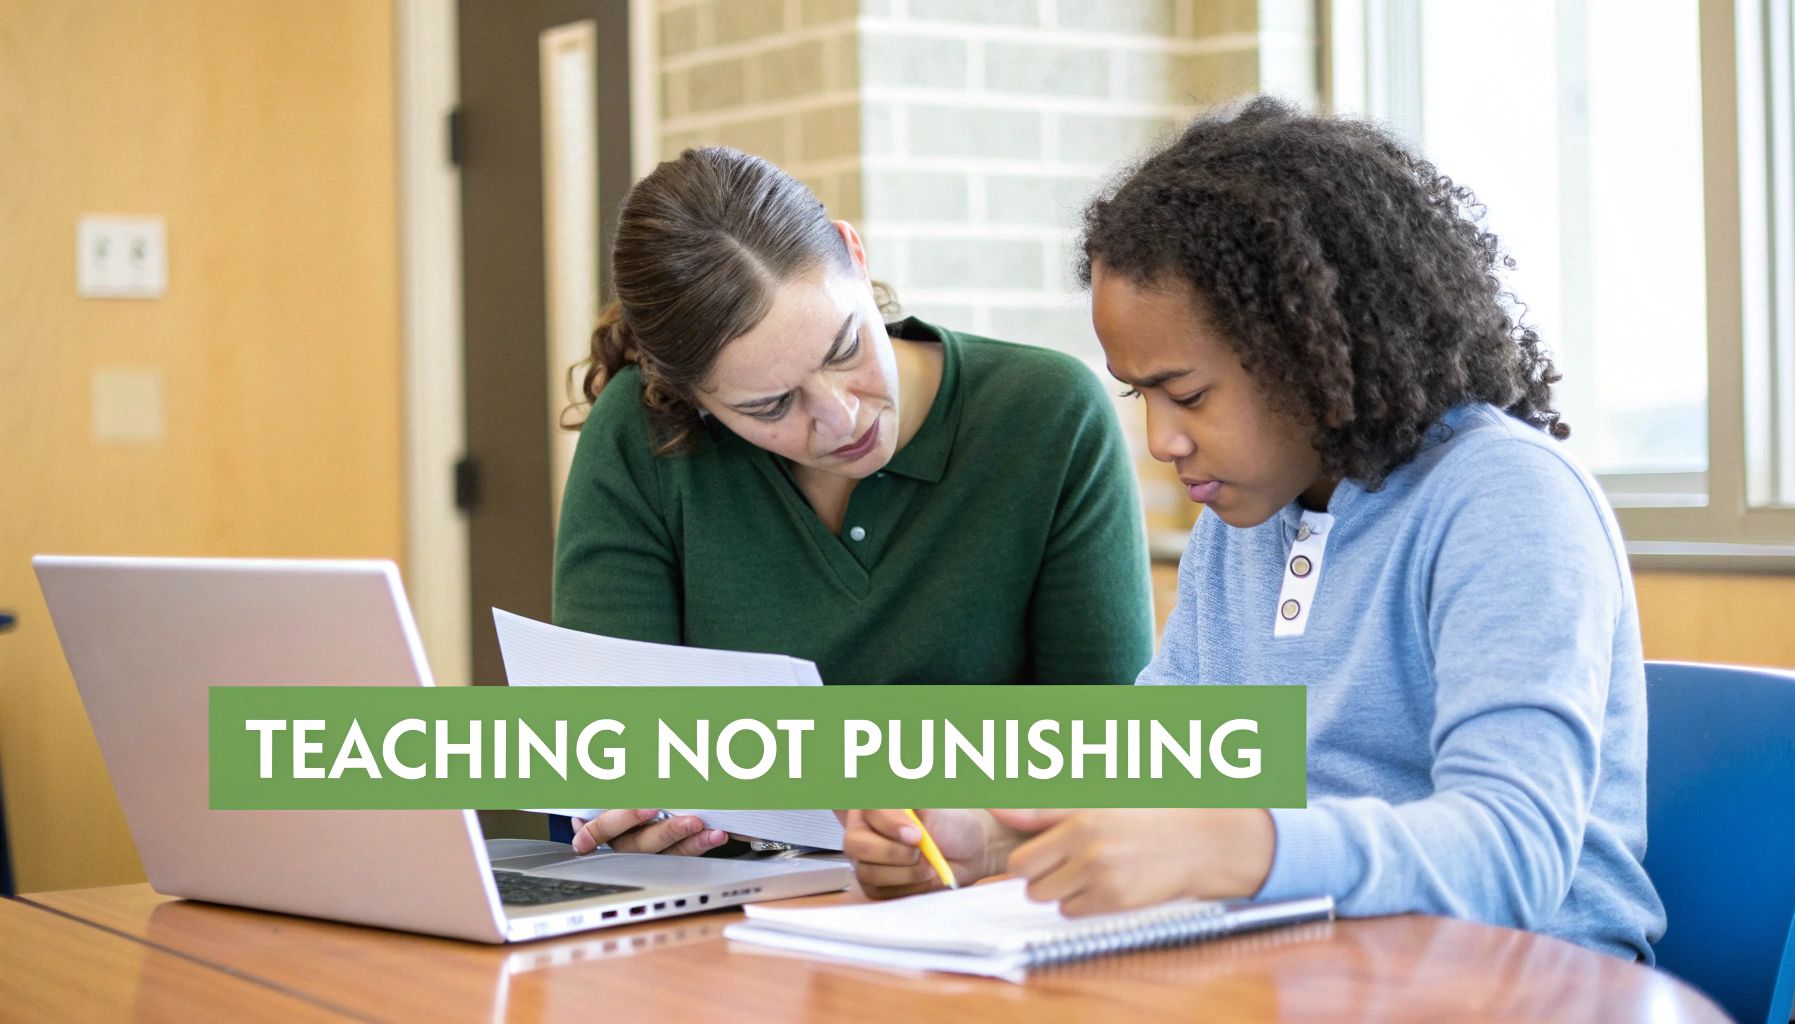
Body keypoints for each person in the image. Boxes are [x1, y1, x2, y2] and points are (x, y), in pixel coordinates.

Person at [844, 97, 1667, 962]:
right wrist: (994, 838)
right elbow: (1163, 763)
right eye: (1140, 395)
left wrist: (1246, 847)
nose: (1161, 441)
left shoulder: (1505, 498)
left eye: (1188, 394)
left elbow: (1515, 853)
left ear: (1317, 348)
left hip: (1531, 986)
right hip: (1299, 971)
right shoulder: (1248, 516)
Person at [555, 147, 1153, 856]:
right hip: (720, 917)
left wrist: (979, 835)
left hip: (982, 905)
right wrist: (631, 823)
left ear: (854, 255)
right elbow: (609, 754)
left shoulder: (1048, 416)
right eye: (772, 404)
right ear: (690, 396)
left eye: (845, 347)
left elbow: (1116, 764)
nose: (842, 418)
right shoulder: (640, 431)